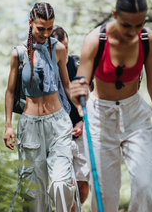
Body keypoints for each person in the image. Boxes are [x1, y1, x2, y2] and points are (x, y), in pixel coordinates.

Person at [70, 0, 152, 212]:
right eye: (127, 25)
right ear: (114, 14)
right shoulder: (95, 40)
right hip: (100, 119)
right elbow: (80, 84)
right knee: (105, 197)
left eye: (139, 25)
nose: (133, 31)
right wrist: (77, 93)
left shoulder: (148, 40)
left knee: (146, 188)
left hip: (135, 115)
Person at [4, 2, 76, 212]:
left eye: (49, 28)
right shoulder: (18, 53)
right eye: (40, 28)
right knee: (33, 193)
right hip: (30, 127)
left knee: (61, 185)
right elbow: (9, 91)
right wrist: (8, 125)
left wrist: (82, 109)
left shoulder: (59, 49)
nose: (45, 33)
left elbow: (66, 85)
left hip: (58, 123)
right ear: (30, 23)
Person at [51, 26, 90, 210]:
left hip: (80, 129)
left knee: (82, 184)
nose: (63, 52)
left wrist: (83, 121)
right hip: (58, 133)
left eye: (66, 47)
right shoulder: (47, 68)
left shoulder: (77, 63)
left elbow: (92, 95)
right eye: (60, 48)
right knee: (67, 184)